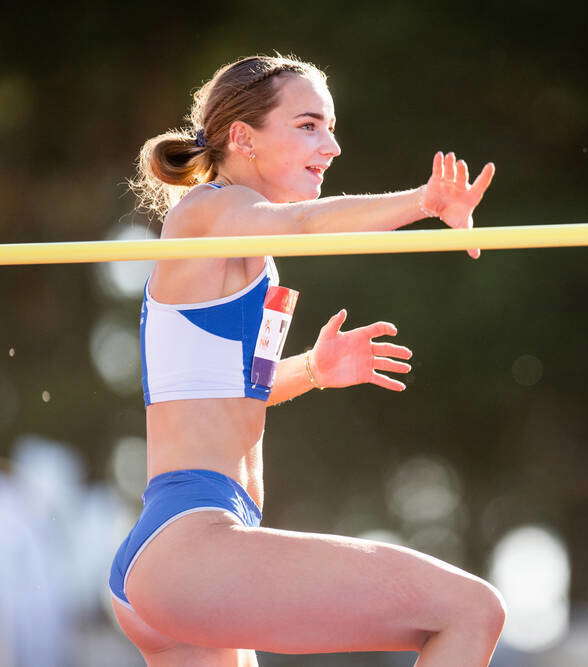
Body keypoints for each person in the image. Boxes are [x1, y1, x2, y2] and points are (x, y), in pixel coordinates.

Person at [107, 54, 503, 666]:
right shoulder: (210, 212)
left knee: (467, 611)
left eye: (331, 126)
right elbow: (308, 223)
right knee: (471, 610)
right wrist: (424, 202)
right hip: (193, 544)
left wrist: (314, 370)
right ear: (244, 138)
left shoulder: (243, 252)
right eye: (309, 125)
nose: (333, 145)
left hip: (179, 556)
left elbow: (233, 393)